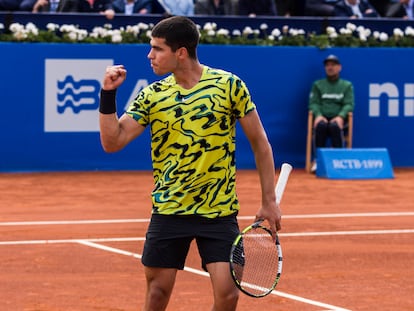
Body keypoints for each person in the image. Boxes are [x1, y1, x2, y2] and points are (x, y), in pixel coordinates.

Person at [99, 16, 282, 311]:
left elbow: (261, 143)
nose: (150, 56)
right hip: (170, 209)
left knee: (228, 293)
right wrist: (108, 94)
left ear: (180, 52)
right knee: (157, 293)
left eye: (158, 49)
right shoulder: (153, 95)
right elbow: (112, 142)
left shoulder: (229, 86)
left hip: (219, 212)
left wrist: (269, 201)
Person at [308, 54, 354, 172]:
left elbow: (349, 104)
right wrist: (318, 115)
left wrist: (340, 116)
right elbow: (313, 103)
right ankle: (318, 161)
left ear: (339, 67)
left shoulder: (346, 85)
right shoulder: (318, 85)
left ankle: (338, 161)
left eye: (333, 65)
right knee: (321, 126)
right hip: (322, 118)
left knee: (335, 127)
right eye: (327, 65)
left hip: (338, 119)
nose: (330, 67)